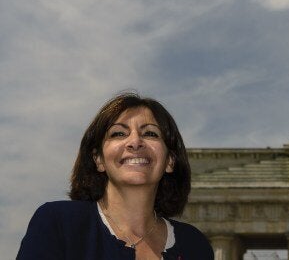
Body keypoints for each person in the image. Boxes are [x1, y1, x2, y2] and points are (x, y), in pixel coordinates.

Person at [18, 92, 214, 259]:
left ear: (170, 161)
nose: (135, 142)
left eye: (151, 134)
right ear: (99, 160)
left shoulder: (194, 245)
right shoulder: (58, 224)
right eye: (119, 134)